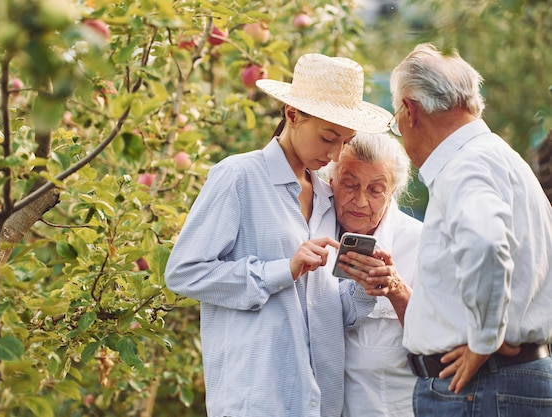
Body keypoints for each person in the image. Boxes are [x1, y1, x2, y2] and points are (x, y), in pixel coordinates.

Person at [164, 53, 393, 417]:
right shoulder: (238, 177)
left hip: (318, 402)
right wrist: (283, 269)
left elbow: (325, 311)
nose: (334, 154)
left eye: (345, 141)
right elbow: (183, 273)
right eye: (327, 137)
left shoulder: (323, 197)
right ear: (291, 114)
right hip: (255, 400)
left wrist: (365, 287)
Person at [388, 42, 552, 417]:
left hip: (482, 387)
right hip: (501, 381)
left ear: (409, 111)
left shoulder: (467, 164)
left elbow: (486, 244)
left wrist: (483, 340)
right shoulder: (500, 158)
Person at [324, 132, 421, 417]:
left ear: (392, 192)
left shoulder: (421, 243)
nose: (361, 201)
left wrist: (396, 289)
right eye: (350, 184)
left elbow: (441, 338)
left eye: (376, 190)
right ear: (331, 181)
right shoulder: (310, 231)